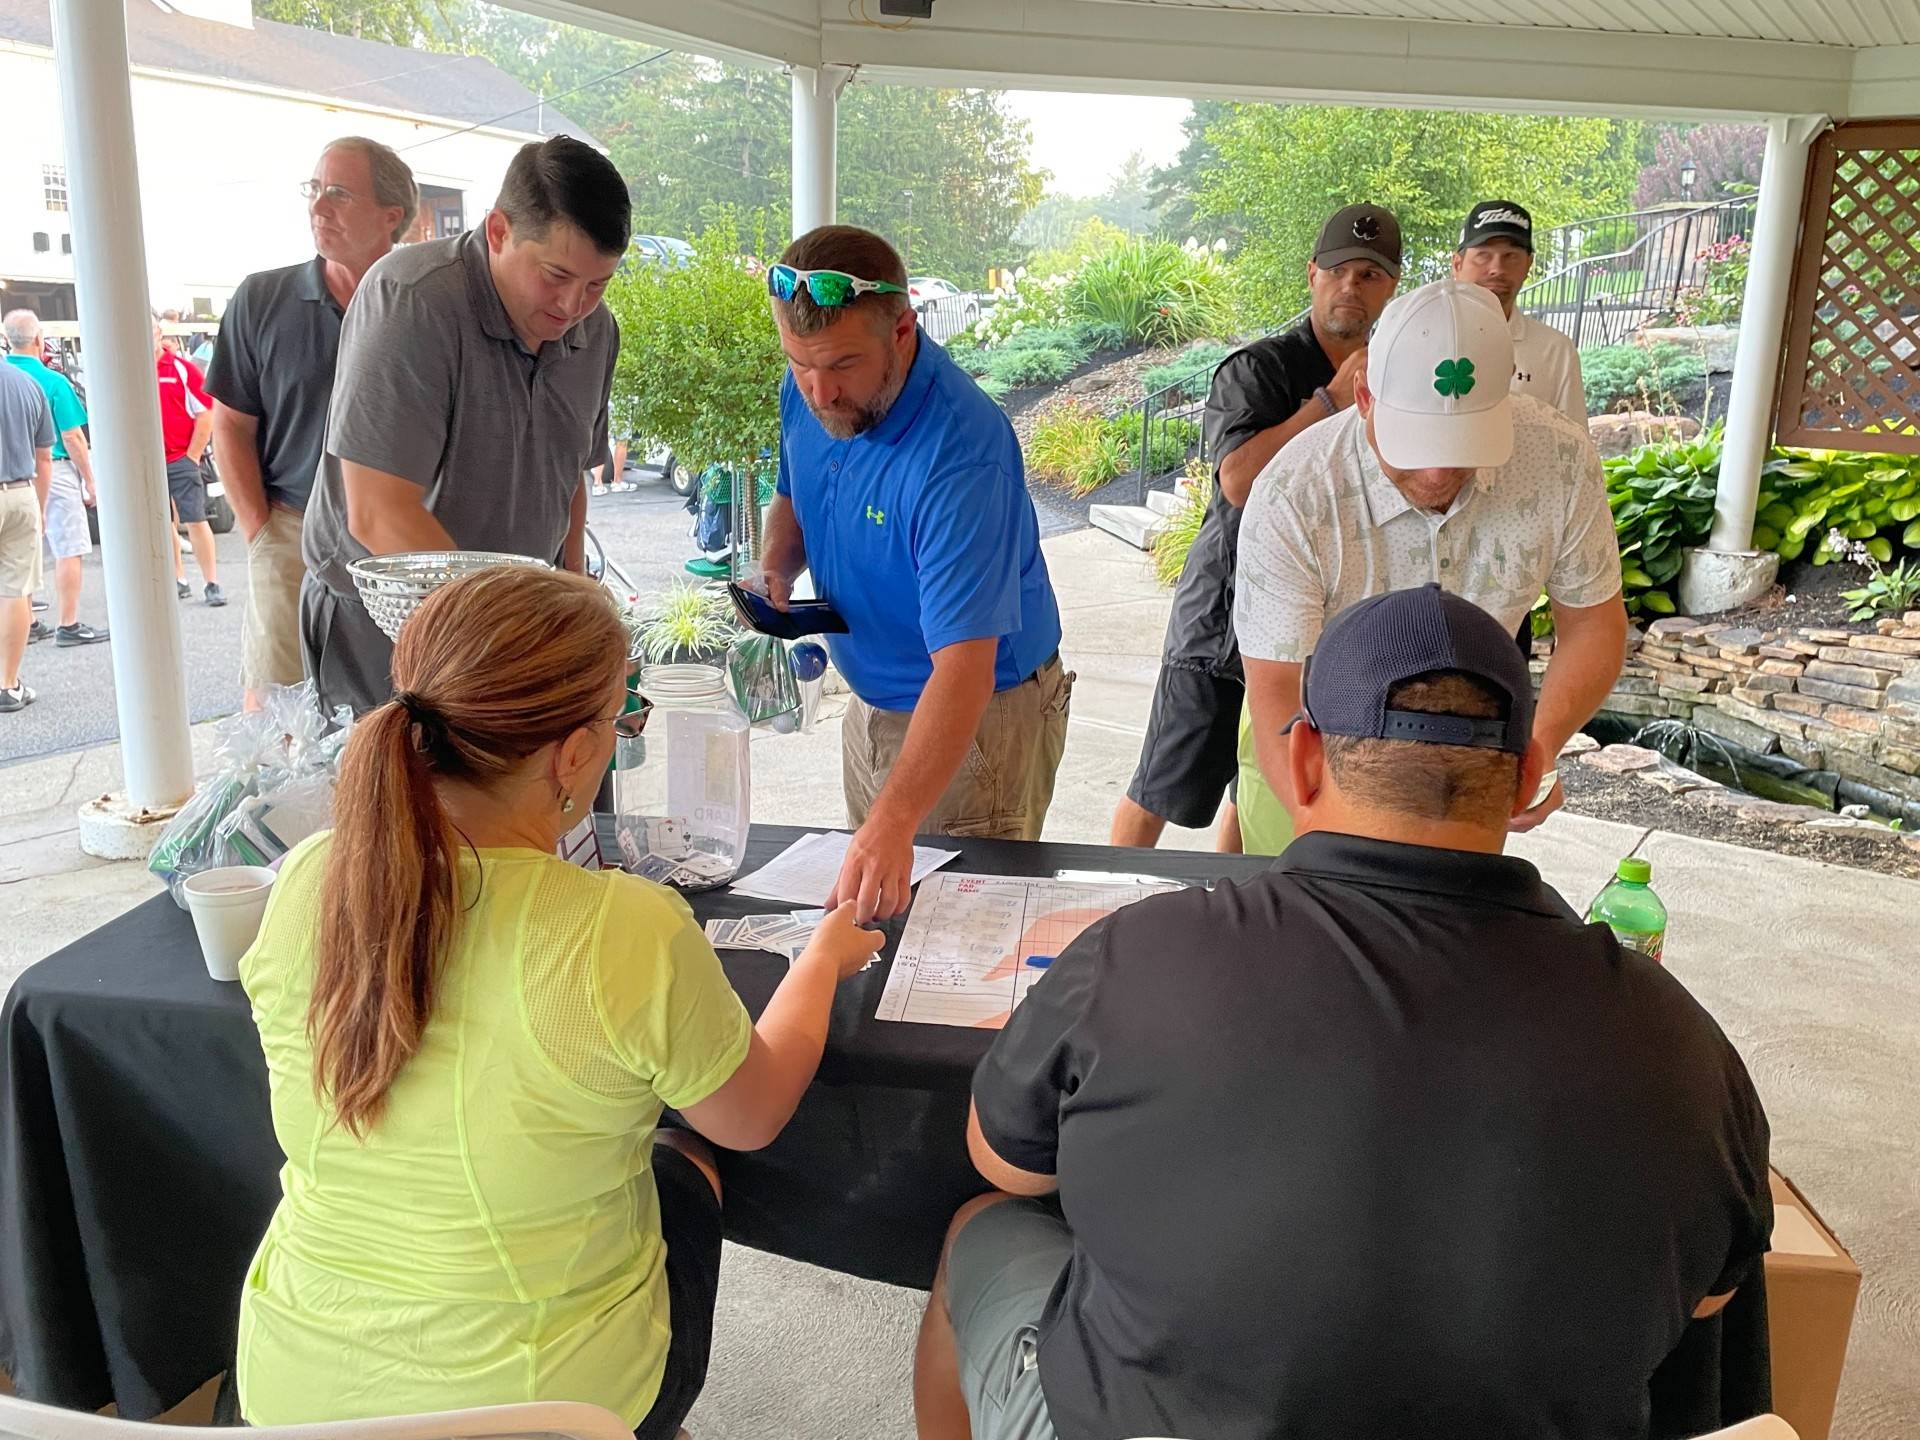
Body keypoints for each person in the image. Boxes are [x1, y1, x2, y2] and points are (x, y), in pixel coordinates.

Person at [917, 583, 1773, 1440]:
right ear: (1521, 780)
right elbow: (1715, 1297)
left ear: (1303, 760)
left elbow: (1008, 1167)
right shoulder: (1683, 1043)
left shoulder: (1134, 953)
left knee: (977, 1228)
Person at [235, 564, 884, 1436]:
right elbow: (751, 1114)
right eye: (623, 718)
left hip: (290, 1393)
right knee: (682, 1165)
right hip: (545, 1406)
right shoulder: (622, 928)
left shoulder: (310, 877)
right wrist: (821, 957)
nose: (624, 738)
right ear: (572, 753)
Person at [1233, 279, 1627, 853]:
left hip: (1469, 743)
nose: (1438, 476)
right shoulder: (1295, 492)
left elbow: (1594, 624)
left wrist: (1531, 749)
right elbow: (1276, 686)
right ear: (1365, 394)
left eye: (1465, 443)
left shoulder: (1559, 460)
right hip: (1311, 732)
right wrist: (1324, 838)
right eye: (1415, 443)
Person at [758, 225, 1067, 921]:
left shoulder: (960, 453)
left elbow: (965, 670)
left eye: (842, 365)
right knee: (873, 913)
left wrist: (894, 821)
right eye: (799, 364)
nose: (819, 392)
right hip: (874, 697)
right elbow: (795, 487)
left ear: (903, 330)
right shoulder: (807, 384)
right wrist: (774, 565)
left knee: (953, 938)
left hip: (979, 719)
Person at [300, 134, 628, 715]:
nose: (573, 305)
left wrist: (571, 599)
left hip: (508, 624)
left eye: (597, 284)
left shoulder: (596, 331)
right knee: (403, 801)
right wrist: (506, 640)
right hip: (387, 626)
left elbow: (568, 479)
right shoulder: (411, 301)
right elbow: (379, 513)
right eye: (555, 275)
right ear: (498, 231)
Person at [1110, 203, 1399, 852]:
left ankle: (1236, 914)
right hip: (1222, 619)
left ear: (1392, 288)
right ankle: (1108, 917)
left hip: (1314, 622)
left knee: (1262, 786)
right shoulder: (1257, 370)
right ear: (1313, 276)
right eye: (1339, 271)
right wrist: (1327, 402)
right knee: (1162, 786)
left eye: (1371, 275)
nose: (1352, 286)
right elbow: (1237, 481)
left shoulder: (1392, 380)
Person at [208, 137, 417, 709]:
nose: (318, 207)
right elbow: (227, 425)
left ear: (391, 216)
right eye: (315, 189)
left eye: (340, 194)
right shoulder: (262, 299)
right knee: (276, 705)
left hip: (397, 542)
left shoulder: (421, 307)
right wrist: (259, 531)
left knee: (391, 706)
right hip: (290, 529)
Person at [4, 309, 108, 646]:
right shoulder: (52, 381)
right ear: (38, 339)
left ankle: (28, 620)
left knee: (19, 557)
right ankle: (68, 622)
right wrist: (91, 479)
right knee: (69, 547)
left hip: (12, 473)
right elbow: (73, 437)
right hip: (52, 468)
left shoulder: (7, 377)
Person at [1453, 199, 1587, 423]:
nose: (1497, 269)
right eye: (1483, 255)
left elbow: (1575, 447)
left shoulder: (1556, 352)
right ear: (1457, 264)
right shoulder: (1422, 338)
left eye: (1511, 256)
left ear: (1528, 265)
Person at [155, 317, 224, 606]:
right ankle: (178, 578)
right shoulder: (127, 370)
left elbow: (205, 413)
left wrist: (192, 456)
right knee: (160, 523)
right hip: (149, 464)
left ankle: (211, 582)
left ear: (158, 332)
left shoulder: (182, 370)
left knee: (195, 519)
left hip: (180, 459)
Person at [0, 360, 53, 712]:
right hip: (21, 492)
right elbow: (44, 456)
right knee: (16, 589)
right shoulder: (27, 383)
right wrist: (42, 507)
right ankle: (8, 684)